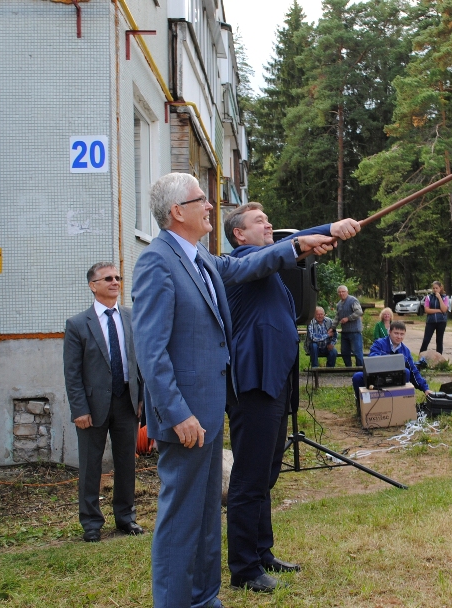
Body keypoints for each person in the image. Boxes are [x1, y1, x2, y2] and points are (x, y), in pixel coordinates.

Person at [131, 172, 337, 608]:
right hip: (186, 415)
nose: (210, 206)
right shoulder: (157, 261)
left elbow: (252, 262)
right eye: (201, 199)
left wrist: (312, 238)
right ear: (177, 212)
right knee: (180, 521)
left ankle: (205, 599)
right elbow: (150, 351)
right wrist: (175, 411)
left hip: (208, 409)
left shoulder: (202, 259)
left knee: (207, 517)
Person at [223, 203, 360, 593]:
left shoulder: (268, 260)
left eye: (269, 220)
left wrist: (331, 227)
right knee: (250, 477)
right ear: (240, 235)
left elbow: (288, 243)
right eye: (259, 221)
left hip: (275, 381)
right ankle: (244, 568)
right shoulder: (244, 261)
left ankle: (261, 551)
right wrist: (323, 228)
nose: (268, 224)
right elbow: (283, 248)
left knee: (266, 473)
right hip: (254, 383)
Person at [63, 262, 143, 543]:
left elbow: (139, 362)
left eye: (118, 277)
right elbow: (72, 372)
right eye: (107, 278)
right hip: (93, 406)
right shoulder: (77, 325)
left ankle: (126, 517)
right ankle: (91, 522)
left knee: (126, 463)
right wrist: (79, 409)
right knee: (90, 465)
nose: (114, 282)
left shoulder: (132, 318)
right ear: (92, 285)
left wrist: (141, 399)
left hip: (126, 402)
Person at [352, 321, 431, 400]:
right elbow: (372, 357)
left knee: (407, 372)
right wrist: (391, 360)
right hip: (377, 377)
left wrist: (425, 389)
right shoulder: (379, 343)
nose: (399, 336)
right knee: (357, 377)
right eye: (396, 333)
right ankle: (362, 404)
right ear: (389, 332)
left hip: (394, 379)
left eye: (402, 334)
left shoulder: (405, 351)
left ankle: (399, 401)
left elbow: (414, 371)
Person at [334, 285, 364, 367]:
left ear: (347, 292)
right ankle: (349, 369)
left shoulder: (353, 300)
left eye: (343, 292)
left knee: (357, 352)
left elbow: (359, 312)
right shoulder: (339, 304)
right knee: (344, 352)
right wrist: (332, 328)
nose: (341, 293)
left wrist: (348, 318)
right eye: (339, 292)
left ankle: (360, 370)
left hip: (355, 331)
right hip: (345, 332)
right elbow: (337, 317)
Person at [419, 281, 450, 354]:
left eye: (437, 288)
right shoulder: (429, 297)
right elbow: (427, 310)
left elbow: (444, 309)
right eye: (433, 288)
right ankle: (421, 356)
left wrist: (439, 298)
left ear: (440, 288)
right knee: (426, 339)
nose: (435, 290)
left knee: (439, 340)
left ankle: (439, 358)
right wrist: (438, 310)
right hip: (431, 321)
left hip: (441, 321)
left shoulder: (445, 297)